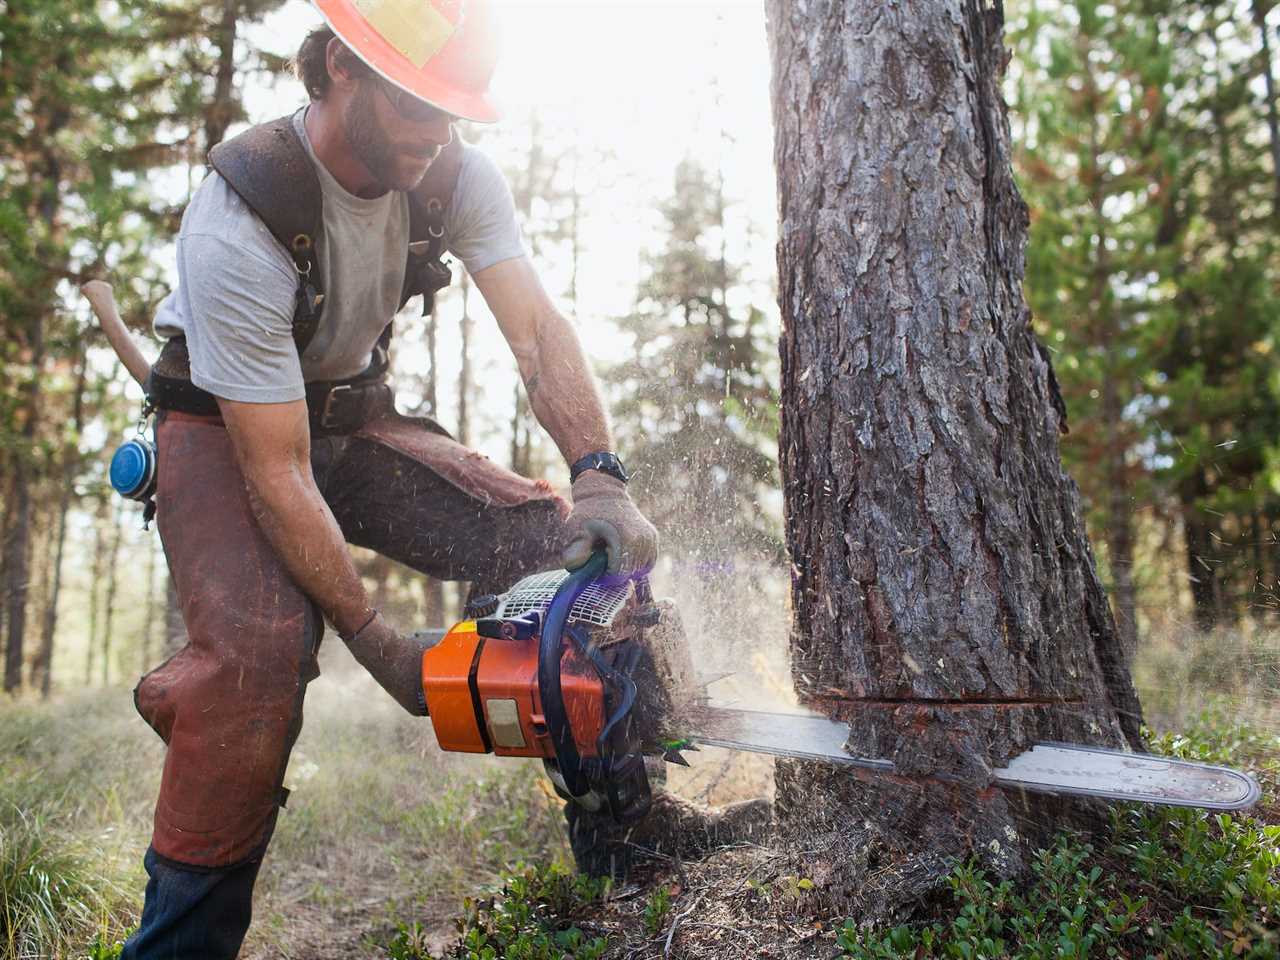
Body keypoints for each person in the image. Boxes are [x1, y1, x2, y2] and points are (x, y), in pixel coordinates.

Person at [118, 1, 666, 956]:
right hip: (223, 428)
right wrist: (372, 637)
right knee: (253, 667)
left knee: (561, 543)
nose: (435, 133)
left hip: (350, 412)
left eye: (452, 112)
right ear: (336, 67)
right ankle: (177, 944)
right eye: (417, 103)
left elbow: (535, 332)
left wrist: (599, 476)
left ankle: (631, 838)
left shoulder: (452, 174)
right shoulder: (241, 212)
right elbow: (277, 468)